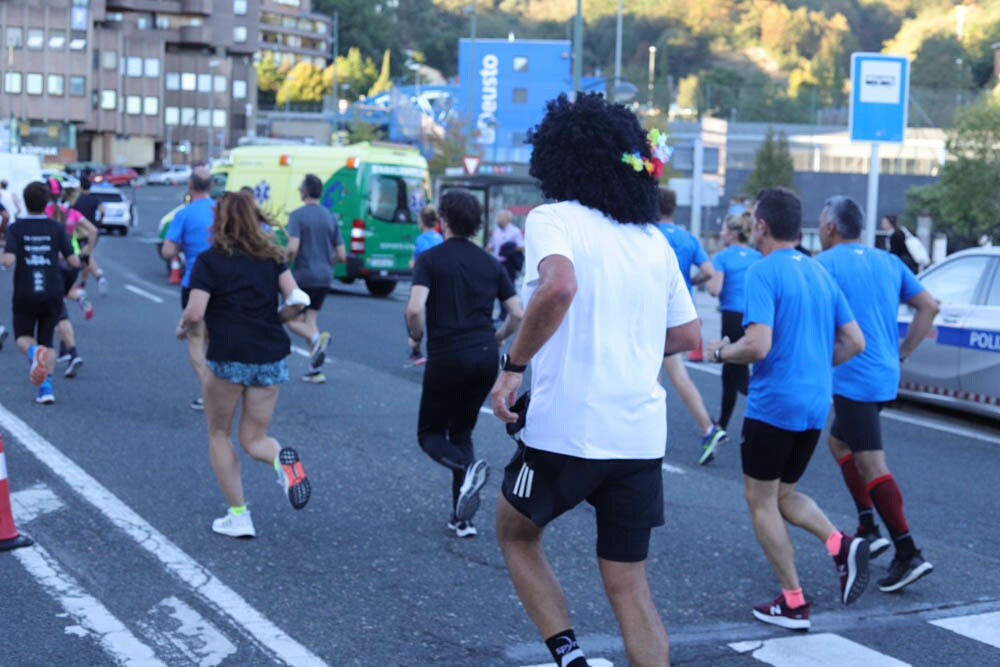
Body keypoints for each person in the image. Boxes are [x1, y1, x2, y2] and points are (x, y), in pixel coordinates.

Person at [490, 93, 701, 667]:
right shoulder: (652, 240)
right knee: (630, 586)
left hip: (568, 430)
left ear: (558, 159)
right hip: (638, 437)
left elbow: (558, 286)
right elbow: (688, 336)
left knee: (515, 533)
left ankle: (570, 657)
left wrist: (512, 368)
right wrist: (627, 342)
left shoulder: (554, 219)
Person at [706, 187, 868, 631]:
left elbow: (758, 345)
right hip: (816, 403)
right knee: (784, 495)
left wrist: (721, 353)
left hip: (775, 402)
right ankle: (840, 543)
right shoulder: (819, 272)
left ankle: (793, 601)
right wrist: (814, 363)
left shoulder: (764, 271)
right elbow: (855, 341)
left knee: (759, 500)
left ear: (762, 225)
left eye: (753, 219)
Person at [817, 195, 939, 593]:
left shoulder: (824, 265)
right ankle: (868, 526)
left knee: (872, 464)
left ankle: (907, 551)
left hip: (855, 378)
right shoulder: (888, 261)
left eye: (821, 223)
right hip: (885, 374)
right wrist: (903, 352)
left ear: (831, 228)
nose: (820, 229)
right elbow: (928, 307)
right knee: (839, 441)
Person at [180, 191, 313, 538]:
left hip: (229, 356)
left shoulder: (210, 261)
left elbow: (196, 312)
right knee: (255, 439)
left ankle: (239, 516)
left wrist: (184, 327)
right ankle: (283, 461)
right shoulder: (272, 257)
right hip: (270, 355)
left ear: (220, 221)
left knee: (219, 433)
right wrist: (278, 317)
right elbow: (297, 300)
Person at [405, 189, 523, 538]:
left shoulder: (431, 259)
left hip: (447, 353)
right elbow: (517, 312)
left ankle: (467, 468)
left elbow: (414, 308)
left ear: (443, 220)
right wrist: (500, 336)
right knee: (461, 431)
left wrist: (416, 335)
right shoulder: (490, 263)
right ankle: (462, 518)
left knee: (430, 434)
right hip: (485, 353)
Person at [655, 188, 726, 464]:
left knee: (655, 374)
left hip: (655, 310)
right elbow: (708, 271)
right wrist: (690, 283)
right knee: (675, 373)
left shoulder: (649, 234)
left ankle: (703, 429)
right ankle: (707, 428)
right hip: (681, 311)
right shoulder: (687, 237)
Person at [0, 181, 80, 403]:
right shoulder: (56, 228)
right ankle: (46, 390)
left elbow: (8, 261)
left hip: (25, 290)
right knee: (48, 340)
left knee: (23, 337)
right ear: (46, 203)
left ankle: (33, 353)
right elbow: (73, 260)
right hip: (52, 290)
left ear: (25, 202)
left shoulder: (16, 228)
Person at [162, 167, 215, 410]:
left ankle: (208, 391)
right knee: (217, 338)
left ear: (190, 187)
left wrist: (185, 245)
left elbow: (168, 251)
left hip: (194, 283)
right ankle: (224, 388)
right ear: (212, 187)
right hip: (224, 283)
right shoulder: (221, 210)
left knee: (195, 338)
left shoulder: (183, 214)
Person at [285, 174, 346, 384]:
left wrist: (285, 263)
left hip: (303, 275)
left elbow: (292, 247)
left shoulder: (297, 216)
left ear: (305, 191)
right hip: (324, 276)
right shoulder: (330, 217)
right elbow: (342, 254)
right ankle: (315, 369)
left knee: (289, 318)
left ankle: (314, 340)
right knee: (310, 320)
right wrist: (328, 263)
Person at [707, 211, 761, 432]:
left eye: (724, 230)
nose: (721, 233)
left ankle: (766, 415)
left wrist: (709, 284)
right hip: (752, 316)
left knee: (740, 378)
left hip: (731, 317)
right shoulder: (757, 256)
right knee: (728, 374)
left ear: (731, 234)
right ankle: (722, 425)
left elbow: (715, 289)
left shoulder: (722, 256)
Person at [407, 205, 444, 366]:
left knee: (414, 313)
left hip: (423, 283)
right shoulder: (440, 237)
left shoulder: (421, 239)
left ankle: (416, 349)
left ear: (421, 221)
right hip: (439, 281)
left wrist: (412, 264)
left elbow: (419, 262)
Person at [70, 177, 109, 297]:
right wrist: (99, 221)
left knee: (86, 257)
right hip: (94, 230)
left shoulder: (76, 200)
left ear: (80, 186)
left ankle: (97, 278)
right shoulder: (94, 199)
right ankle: (84, 283)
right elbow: (103, 211)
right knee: (88, 256)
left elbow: (72, 215)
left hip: (81, 231)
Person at [486, 209, 524, 322]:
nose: (498, 220)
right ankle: (501, 314)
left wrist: (509, 248)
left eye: (500, 217)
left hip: (509, 264)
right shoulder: (497, 231)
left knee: (508, 287)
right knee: (496, 287)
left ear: (507, 219)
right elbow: (491, 245)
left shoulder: (515, 231)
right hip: (497, 263)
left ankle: (509, 313)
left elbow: (521, 246)